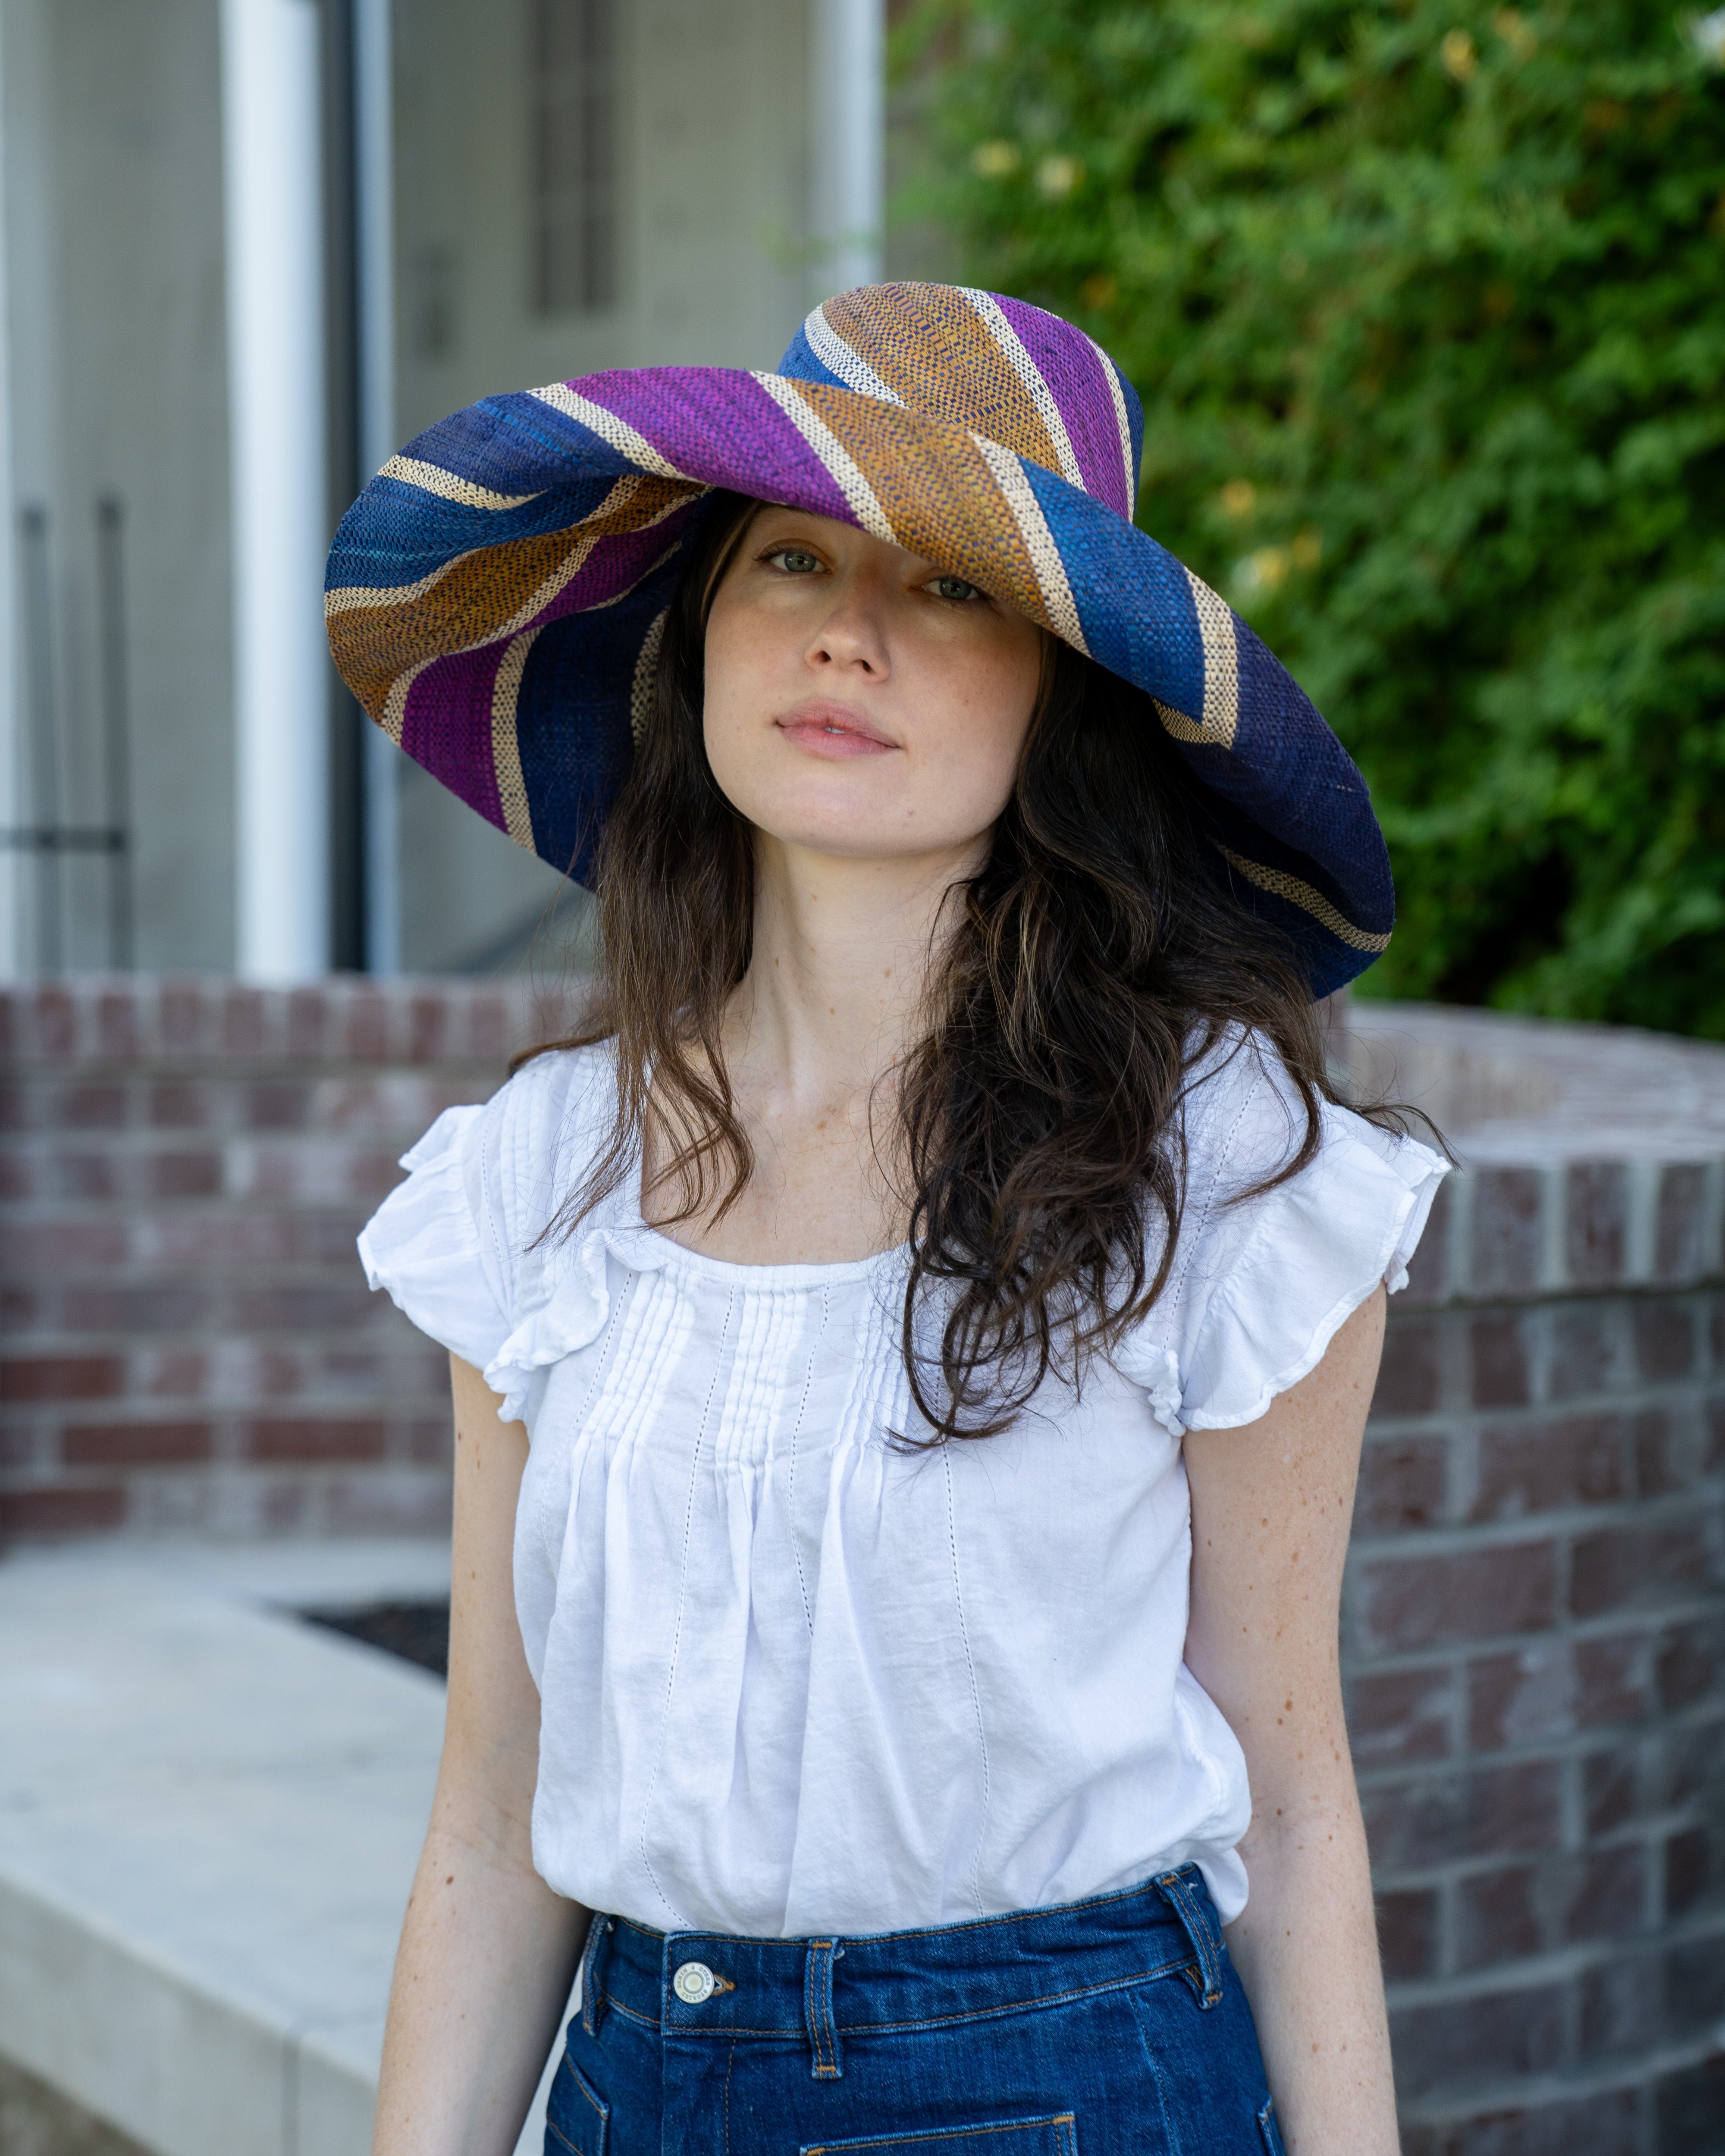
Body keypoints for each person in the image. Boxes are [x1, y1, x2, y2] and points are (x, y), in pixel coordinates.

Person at [333, 282, 1446, 2156]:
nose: (845, 634)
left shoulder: (1216, 1165)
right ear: (696, 638)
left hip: (1066, 2085)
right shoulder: (535, 1174)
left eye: (948, 586)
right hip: (628, 2080)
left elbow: (1287, 1791)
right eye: (787, 558)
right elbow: (492, 1792)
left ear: (1065, 693)